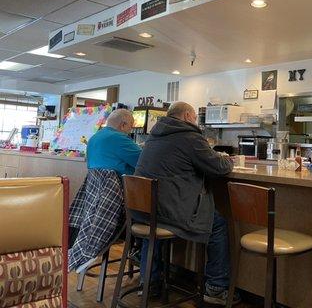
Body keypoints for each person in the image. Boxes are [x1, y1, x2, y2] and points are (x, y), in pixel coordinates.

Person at [134, 102, 239, 306]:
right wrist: (228, 160)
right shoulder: (189, 136)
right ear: (188, 116)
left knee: (153, 222)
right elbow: (217, 167)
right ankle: (216, 288)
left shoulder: (153, 136)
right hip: (169, 209)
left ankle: (149, 281)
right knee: (218, 224)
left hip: (144, 210)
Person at [69, 108, 142, 272]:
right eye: (130, 126)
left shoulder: (94, 139)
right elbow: (145, 162)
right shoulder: (119, 139)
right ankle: (142, 257)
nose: (130, 130)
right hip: (118, 204)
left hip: (96, 205)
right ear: (123, 125)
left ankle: (141, 255)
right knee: (149, 214)